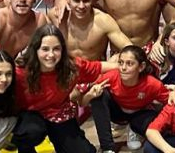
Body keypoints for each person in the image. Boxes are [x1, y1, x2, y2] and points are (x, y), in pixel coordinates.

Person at [11, 24, 117, 153]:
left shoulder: (71, 66)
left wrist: (125, 65)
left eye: (56, 49)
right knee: (30, 133)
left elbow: (99, 67)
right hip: (29, 117)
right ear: (35, 49)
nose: (51, 55)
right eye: (45, 49)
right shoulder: (19, 72)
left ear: (62, 50)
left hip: (59, 113)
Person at [87, 45, 175, 153]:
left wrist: (174, 94)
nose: (123, 68)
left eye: (129, 63)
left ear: (141, 67)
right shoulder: (111, 76)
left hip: (140, 114)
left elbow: (170, 101)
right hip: (117, 112)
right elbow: (83, 100)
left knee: (161, 129)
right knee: (98, 95)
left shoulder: (152, 83)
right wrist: (89, 95)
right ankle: (107, 148)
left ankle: (134, 129)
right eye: (121, 62)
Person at [52, 0, 132, 60]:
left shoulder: (103, 20)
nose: (81, 6)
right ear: (68, 0)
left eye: (86, 0)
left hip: (95, 69)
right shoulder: (56, 16)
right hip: (67, 69)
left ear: (92, 0)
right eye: (76, 0)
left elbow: (129, 48)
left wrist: (117, 58)